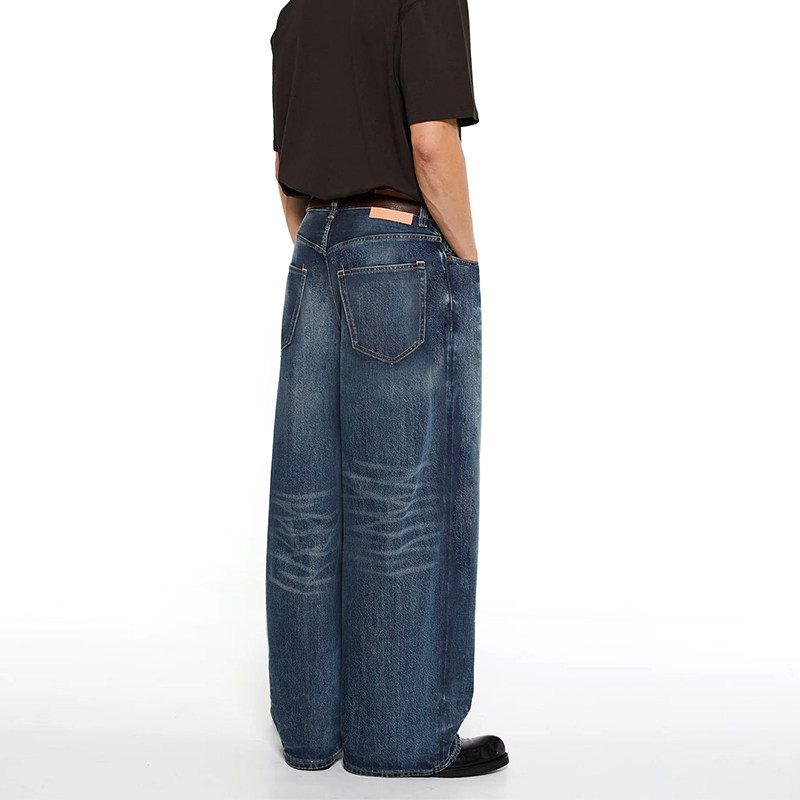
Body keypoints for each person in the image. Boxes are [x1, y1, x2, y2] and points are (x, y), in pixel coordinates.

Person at [265, 0, 508, 778]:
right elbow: (431, 145)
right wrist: (465, 261)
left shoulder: (297, 12)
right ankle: (400, 738)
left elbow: (285, 166)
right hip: (399, 247)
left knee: (306, 507)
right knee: (403, 505)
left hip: (313, 249)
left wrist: (331, 249)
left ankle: (310, 734)